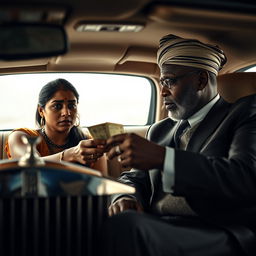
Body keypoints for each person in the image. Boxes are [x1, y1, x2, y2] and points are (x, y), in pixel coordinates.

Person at [101, 35, 256, 256]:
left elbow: (245, 177)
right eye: (162, 83)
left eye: (170, 81)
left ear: (201, 81)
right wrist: (125, 197)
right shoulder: (160, 129)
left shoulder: (244, 112)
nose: (163, 92)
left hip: (217, 230)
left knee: (127, 227)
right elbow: (135, 178)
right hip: (161, 224)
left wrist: (165, 158)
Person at [5, 78, 106, 168]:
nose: (66, 113)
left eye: (71, 106)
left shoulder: (89, 143)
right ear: (41, 110)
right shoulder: (21, 137)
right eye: (57, 106)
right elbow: (31, 165)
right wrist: (70, 155)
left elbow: (102, 185)